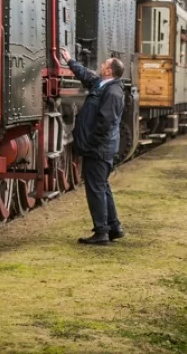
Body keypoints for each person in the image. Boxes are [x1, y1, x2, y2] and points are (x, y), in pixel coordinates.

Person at [58, 46, 125, 245]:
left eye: (104, 64)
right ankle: (114, 227)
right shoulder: (101, 84)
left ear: (109, 71)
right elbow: (86, 75)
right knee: (102, 187)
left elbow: (105, 123)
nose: (101, 65)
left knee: (95, 189)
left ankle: (101, 232)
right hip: (100, 148)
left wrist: (90, 144)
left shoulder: (112, 92)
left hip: (99, 149)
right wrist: (70, 61)